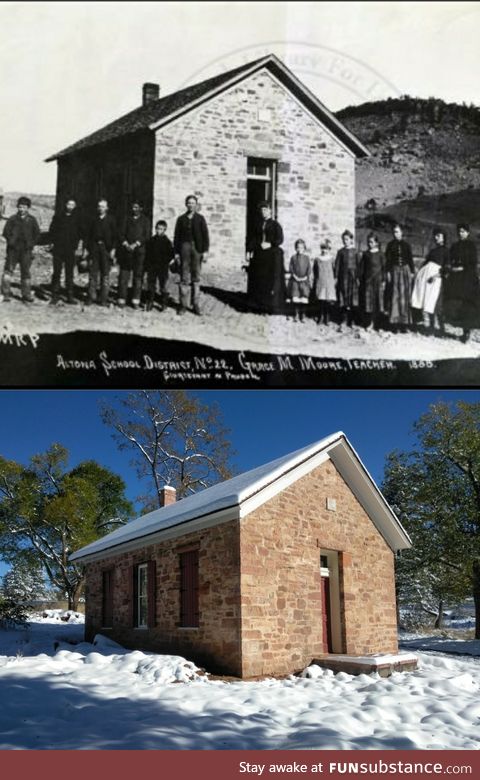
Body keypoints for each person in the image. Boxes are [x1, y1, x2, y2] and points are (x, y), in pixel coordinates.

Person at [442, 223, 480, 343]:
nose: (460, 233)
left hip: (468, 279)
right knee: (456, 303)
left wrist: (462, 268)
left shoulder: (471, 246)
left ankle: (466, 330)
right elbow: (450, 260)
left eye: (463, 231)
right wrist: (451, 268)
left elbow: (473, 263)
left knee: (467, 305)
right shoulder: (454, 246)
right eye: (459, 231)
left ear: (468, 233)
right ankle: (457, 326)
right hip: (456, 279)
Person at [173, 194, 209, 315]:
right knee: (184, 276)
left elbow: (205, 236)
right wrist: (176, 253)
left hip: (197, 249)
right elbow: (176, 237)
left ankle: (196, 304)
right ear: (186, 204)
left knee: (196, 277)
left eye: (193, 203)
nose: (191, 205)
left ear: (196, 205)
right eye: (189, 203)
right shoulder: (181, 219)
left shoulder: (200, 219)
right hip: (184, 248)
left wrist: (205, 251)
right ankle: (183, 305)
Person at [246, 201, 284, 312]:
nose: (264, 212)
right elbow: (252, 238)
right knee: (259, 279)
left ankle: (269, 305)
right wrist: (249, 250)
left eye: (266, 210)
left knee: (269, 280)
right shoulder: (257, 224)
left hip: (271, 255)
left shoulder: (275, 225)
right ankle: (257, 304)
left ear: (270, 211)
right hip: (259, 255)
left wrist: (270, 244)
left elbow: (280, 239)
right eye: (262, 210)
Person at [1, 196, 41, 303]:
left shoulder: (32, 220)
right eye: (20, 207)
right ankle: (5, 294)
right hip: (13, 250)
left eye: (24, 207)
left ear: (28, 208)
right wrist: (11, 242)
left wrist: (31, 244)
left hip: (26, 251)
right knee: (8, 271)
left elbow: (37, 234)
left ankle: (26, 295)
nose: (21, 209)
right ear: (17, 207)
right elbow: (5, 232)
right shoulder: (12, 219)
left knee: (26, 273)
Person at [410, 228, 447, 334]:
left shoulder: (446, 251)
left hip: (437, 279)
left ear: (443, 237)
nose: (436, 238)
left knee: (435, 303)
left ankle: (441, 328)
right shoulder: (433, 251)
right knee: (426, 301)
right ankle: (430, 326)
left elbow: (446, 267)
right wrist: (419, 272)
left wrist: (436, 276)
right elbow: (426, 263)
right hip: (426, 278)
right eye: (435, 236)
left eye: (439, 236)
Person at [48, 197, 84, 305]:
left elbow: (81, 233)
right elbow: (52, 231)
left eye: (72, 205)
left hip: (70, 249)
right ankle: (55, 296)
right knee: (57, 272)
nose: (70, 207)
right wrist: (52, 242)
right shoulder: (58, 217)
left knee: (69, 273)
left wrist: (78, 246)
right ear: (66, 205)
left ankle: (69, 296)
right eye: (69, 204)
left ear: (75, 206)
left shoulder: (78, 218)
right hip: (58, 248)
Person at [118, 200, 151, 308]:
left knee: (138, 276)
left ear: (141, 208)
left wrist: (136, 244)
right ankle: (122, 299)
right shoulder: (126, 219)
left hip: (139, 252)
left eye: (137, 207)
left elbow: (146, 235)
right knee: (124, 276)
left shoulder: (145, 220)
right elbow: (121, 233)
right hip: (126, 252)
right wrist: (126, 243)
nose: (134, 209)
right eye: (133, 207)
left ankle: (135, 300)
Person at [85, 199, 117, 306]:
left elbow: (115, 237)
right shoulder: (93, 219)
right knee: (93, 274)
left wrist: (113, 249)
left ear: (107, 208)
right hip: (94, 249)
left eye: (103, 206)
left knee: (105, 275)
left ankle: (103, 298)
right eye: (99, 206)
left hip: (106, 250)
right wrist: (86, 249)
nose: (100, 208)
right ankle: (91, 297)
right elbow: (88, 235)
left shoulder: (111, 220)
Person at [385, 223, 415, 332]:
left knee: (405, 297)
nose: (395, 234)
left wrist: (412, 272)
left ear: (402, 233)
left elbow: (410, 259)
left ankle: (404, 324)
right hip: (395, 272)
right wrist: (388, 272)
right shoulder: (390, 245)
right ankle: (395, 324)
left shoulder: (407, 245)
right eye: (394, 232)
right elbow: (388, 260)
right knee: (395, 296)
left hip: (405, 272)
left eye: (397, 232)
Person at [359, 232, 386, 331]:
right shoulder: (366, 254)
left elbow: (384, 268)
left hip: (378, 281)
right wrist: (360, 279)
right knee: (369, 303)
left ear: (376, 243)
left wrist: (384, 281)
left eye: (371, 242)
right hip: (368, 282)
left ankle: (378, 324)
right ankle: (369, 323)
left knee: (378, 303)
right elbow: (362, 268)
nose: (369, 244)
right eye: (368, 242)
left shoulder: (381, 254)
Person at [145, 220, 174, 311]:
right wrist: (148, 264)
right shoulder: (151, 240)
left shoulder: (167, 242)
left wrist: (166, 262)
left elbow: (171, 255)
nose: (159, 231)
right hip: (152, 266)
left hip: (162, 267)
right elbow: (148, 253)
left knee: (163, 286)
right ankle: (150, 302)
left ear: (164, 230)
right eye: (157, 229)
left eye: (161, 229)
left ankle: (163, 303)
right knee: (151, 285)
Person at [334, 229, 360, 329]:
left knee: (353, 300)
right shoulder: (340, 252)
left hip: (353, 278)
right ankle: (343, 320)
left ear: (351, 240)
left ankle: (352, 321)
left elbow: (359, 265)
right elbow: (337, 266)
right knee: (343, 299)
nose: (345, 241)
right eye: (344, 239)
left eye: (347, 239)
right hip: (343, 278)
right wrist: (336, 277)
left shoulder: (356, 251)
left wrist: (358, 278)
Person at [313, 239, 336, 325]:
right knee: (321, 300)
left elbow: (334, 270)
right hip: (320, 281)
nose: (324, 250)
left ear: (329, 249)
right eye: (322, 248)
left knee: (328, 301)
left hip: (329, 281)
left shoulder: (332, 259)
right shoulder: (317, 259)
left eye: (326, 249)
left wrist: (334, 280)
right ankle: (321, 316)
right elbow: (315, 270)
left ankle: (327, 317)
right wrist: (316, 279)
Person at [288, 239, 311, 322]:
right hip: (295, 281)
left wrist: (305, 277)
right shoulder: (293, 258)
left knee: (304, 298)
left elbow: (309, 269)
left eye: (301, 247)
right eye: (298, 247)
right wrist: (295, 276)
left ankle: (303, 314)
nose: (299, 249)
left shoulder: (307, 258)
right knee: (296, 297)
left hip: (304, 281)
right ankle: (296, 314)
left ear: (304, 248)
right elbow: (291, 268)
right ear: (295, 248)